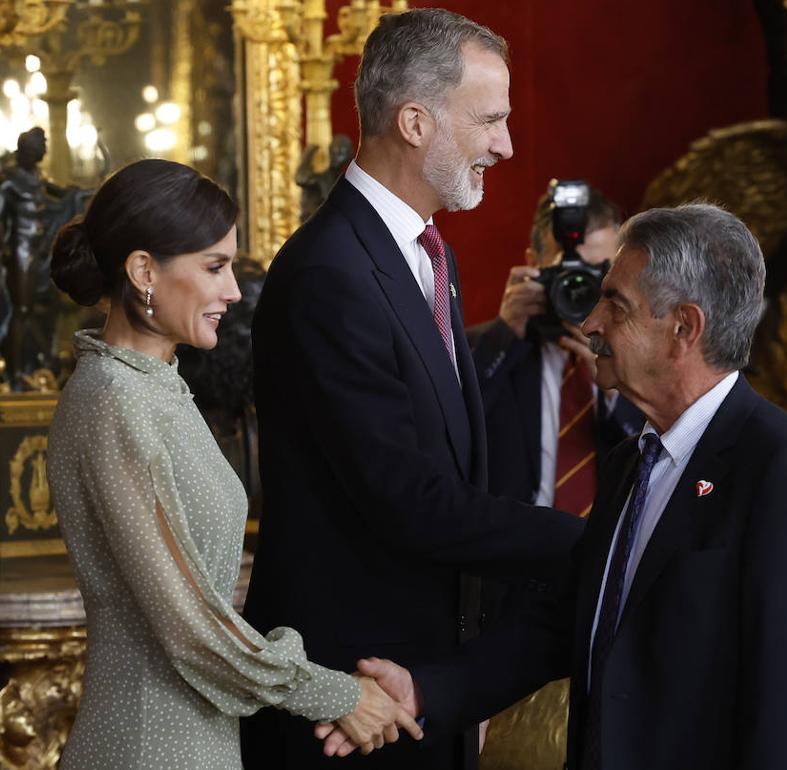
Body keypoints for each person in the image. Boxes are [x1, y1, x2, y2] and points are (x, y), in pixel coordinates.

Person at [324, 203, 787, 770]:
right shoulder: (635, 460)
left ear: (683, 329)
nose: (589, 322)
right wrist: (426, 690)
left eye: (616, 304)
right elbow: (566, 622)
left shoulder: (780, 470)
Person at [240, 9, 584, 770]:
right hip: (351, 703)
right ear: (416, 121)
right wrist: (601, 540)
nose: (507, 144)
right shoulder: (330, 273)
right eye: (491, 120)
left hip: (423, 689)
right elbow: (411, 501)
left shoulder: (429, 257)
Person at [44, 159, 419, 770]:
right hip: (146, 751)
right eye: (214, 267)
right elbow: (190, 631)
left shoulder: (156, 384)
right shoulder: (114, 400)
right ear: (143, 271)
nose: (234, 291)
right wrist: (336, 693)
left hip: (194, 746)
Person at [469, 185, 642, 515]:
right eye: (567, 271)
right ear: (534, 264)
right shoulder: (480, 349)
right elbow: (451, 433)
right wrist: (504, 336)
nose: (581, 286)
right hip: (513, 549)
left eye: (596, 272)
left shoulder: (641, 356)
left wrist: (615, 386)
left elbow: (654, 457)